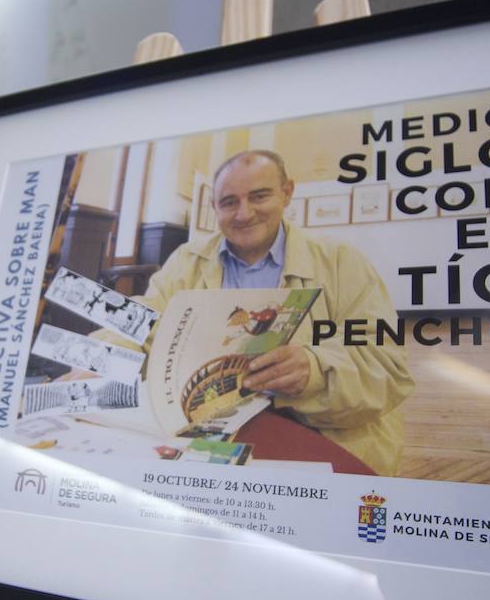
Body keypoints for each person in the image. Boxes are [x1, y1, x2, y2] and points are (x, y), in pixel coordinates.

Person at [134, 150, 414, 475]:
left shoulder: (341, 262)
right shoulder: (188, 260)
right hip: (208, 425)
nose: (244, 213)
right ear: (214, 208)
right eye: (229, 202)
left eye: (259, 196)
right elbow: (142, 321)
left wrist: (313, 370)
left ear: (287, 192)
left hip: (319, 433)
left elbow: (388, 367)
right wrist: (100, 356)